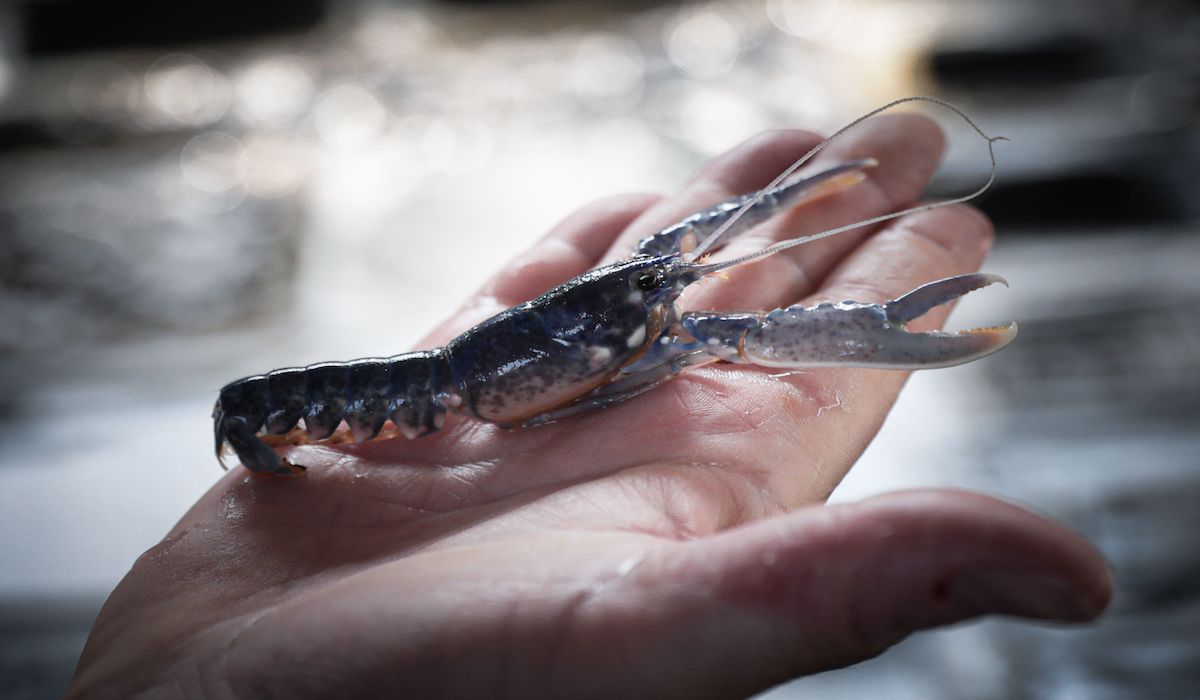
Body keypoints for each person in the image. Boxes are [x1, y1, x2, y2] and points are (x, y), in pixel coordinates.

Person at [67, 114, 1110, 698]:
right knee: (715, 321)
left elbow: (660, 277)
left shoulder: (652, 309)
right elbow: (619, 360)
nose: (671, 297)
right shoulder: (449, 395)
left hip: (449, 382)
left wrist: (703, 263)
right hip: (356, 397)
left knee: (670, 270)